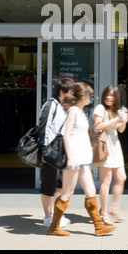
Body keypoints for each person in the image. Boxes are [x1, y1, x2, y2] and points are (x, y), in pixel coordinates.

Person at [47, 82, 116, 237]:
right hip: (75, 159)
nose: (91, 98)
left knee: (91, 191)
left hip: (83, 159)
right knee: (67, 192)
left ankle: (98, 226)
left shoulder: (81, 111)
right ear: (82, 96)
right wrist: (70, 158)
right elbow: (66, 135)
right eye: (89, 95)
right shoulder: (73, 111)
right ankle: (54, 226)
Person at [40, 77, 75, 229]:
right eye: (70, 93)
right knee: (48, 185)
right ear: (62, 92)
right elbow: (43, 127)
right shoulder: (50, 105)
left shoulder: (67, 106)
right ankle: (48, 217)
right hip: (50, 150)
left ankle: (56, 215)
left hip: (62, 150)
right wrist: (43, 151)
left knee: (60, 185)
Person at [92, 85, 128, 225]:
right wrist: (115, 120)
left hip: (115, 145)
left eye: (112, 96)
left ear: (116, 98)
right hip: (104, 146)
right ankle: (103, 212)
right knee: (106, 181)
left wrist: (123, 122)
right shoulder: (100, 108)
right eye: (107, 95)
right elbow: (97, 126)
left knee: (121, 177)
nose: (109, 97)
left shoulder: (117, 110)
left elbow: (121, 130)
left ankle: (114, 207)